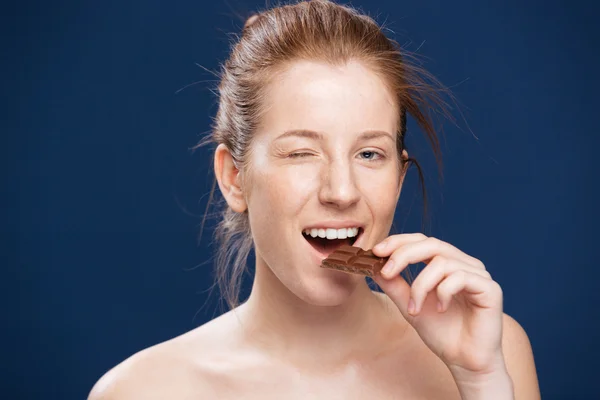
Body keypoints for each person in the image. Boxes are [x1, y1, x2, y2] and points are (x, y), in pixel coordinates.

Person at [89, 1, 540, 398]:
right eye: (301, 153)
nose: (341, 192)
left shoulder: (491, 350)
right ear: (234, 179)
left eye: (369, 154)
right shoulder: (144, 391)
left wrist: (481, 383)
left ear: (399, 177)